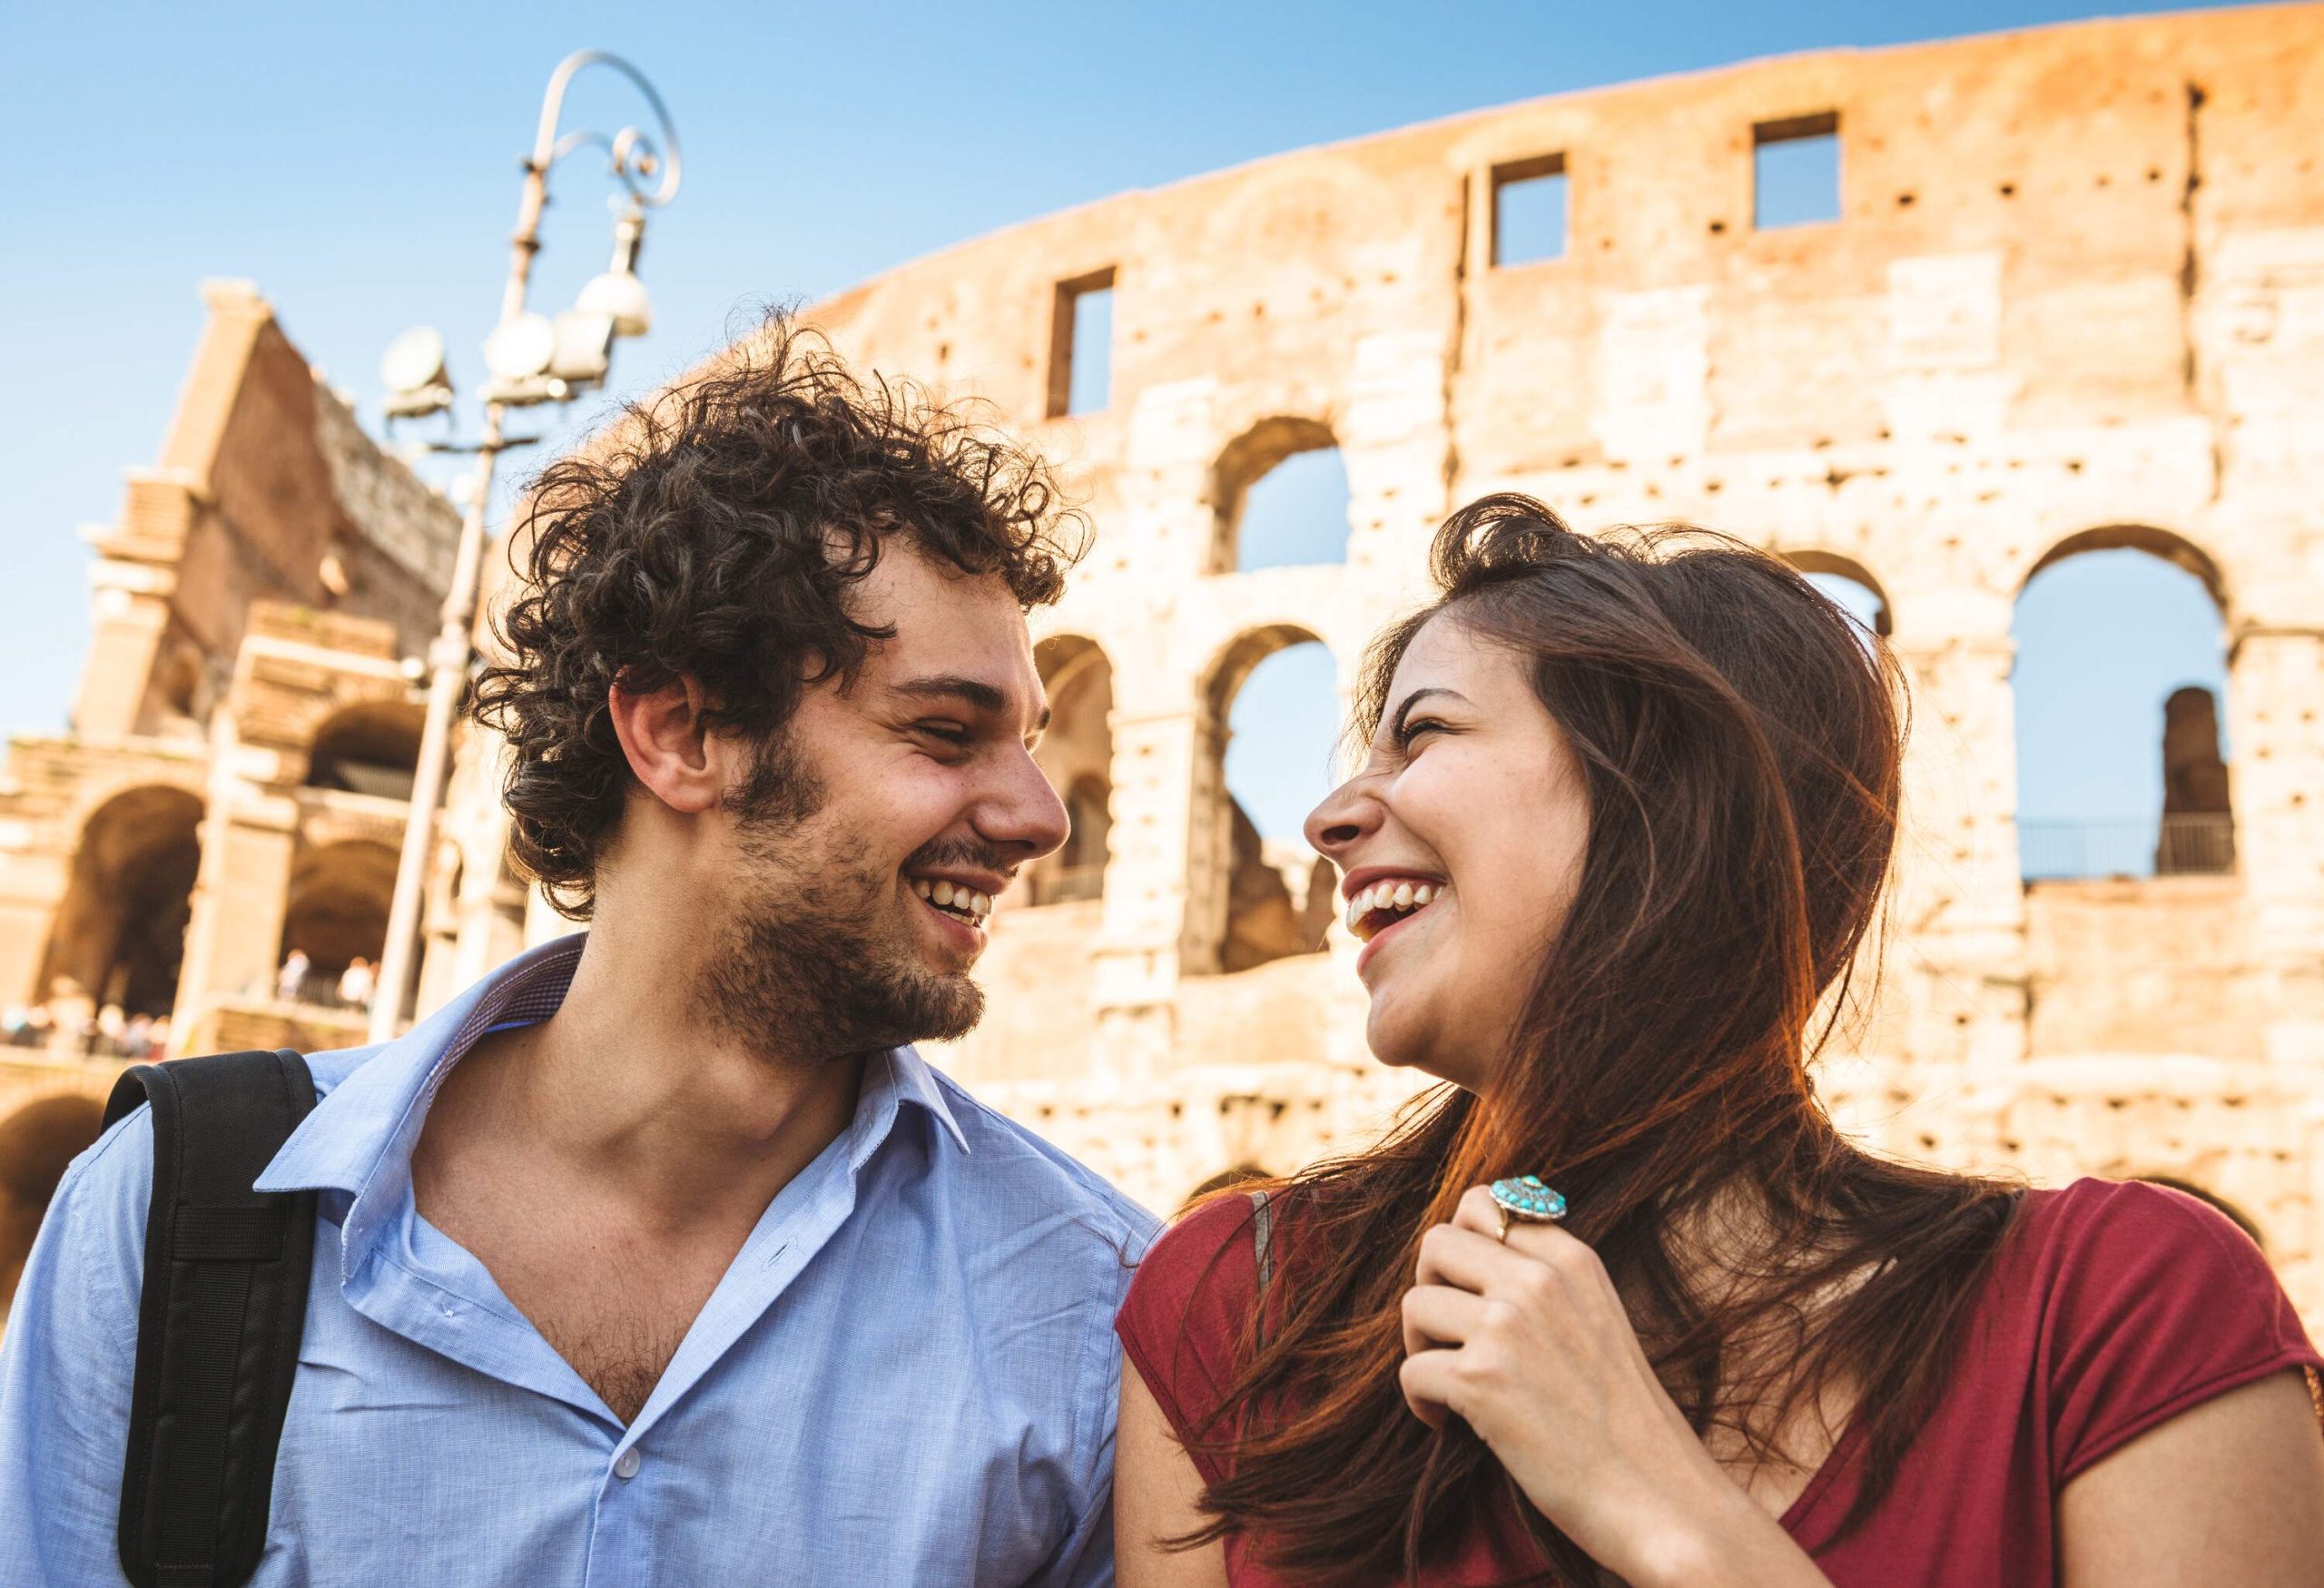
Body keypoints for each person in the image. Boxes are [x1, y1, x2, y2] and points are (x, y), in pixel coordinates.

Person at [0, 320, 1154, 1585]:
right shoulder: (177, 1208)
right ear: (679, 732)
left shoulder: (1091, 1308)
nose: (1041, 816)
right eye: (945, 732)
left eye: (1032, 744)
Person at [1114, 495, 2324, 1587]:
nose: (1328, 817)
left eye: (1423, 733)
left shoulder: (2127, 1307)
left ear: (1658, 788)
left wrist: (1663, 1508)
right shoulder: (1238, 1302)